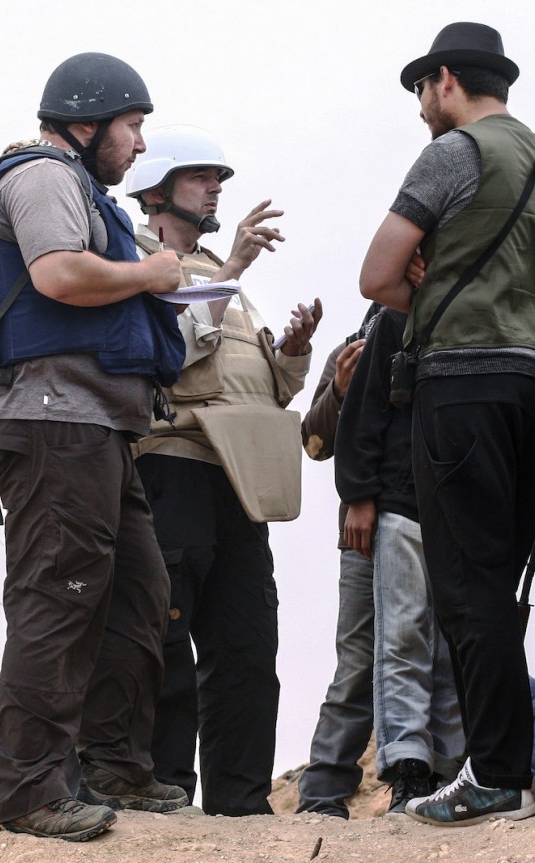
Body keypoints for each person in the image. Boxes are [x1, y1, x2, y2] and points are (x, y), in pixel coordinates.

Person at [359, 22, 535, 826]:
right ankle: (508, 766)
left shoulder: (453, 153)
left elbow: (376, 275)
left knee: (464, 581)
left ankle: (495, 773)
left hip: (462, 384)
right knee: (504, 579)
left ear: (444, 80)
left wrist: (433, 288)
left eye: (424, 91)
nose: (423, 107)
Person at [0, 53, 190, 843]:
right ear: (87, 121)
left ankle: (112, 765)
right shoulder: (41, 178)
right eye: (132, 126)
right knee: (57, 591)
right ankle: (27, 788)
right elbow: (59, 274)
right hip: (50, 417)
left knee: (138, 589)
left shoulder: (81, 185)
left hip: (95, 422)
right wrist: (155, 273)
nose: (137, 145)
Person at [124, 125, 320, 816]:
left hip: (240, 473)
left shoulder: (223, 277)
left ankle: (242, 801)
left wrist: (291, 354)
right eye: (201, 175)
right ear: (156, 192)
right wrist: (231, 266)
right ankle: (166, 788)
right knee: (166, 634)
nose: (216, 188)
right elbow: (165, 358)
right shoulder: (134, 256)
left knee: (245, 643)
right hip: (171, 462)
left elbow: (263, 383)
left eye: (219, 178)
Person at [334, 308, 464, 814]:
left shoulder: (480, 312)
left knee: (455, 646)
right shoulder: (394, 320)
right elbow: (362, 413)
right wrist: (361, 496)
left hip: (460, 506)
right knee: (402, 636)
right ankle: (408, 774)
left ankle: (448, 773)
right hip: (401, 500)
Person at [295, 314, 373, 818]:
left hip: (434, 523)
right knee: (358, 662)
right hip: (362, 535)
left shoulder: (446, 331)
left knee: (444, 656)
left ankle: (439, 778)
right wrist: (341, 389)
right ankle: (322, 795)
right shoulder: (351, 349)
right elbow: (313, 444)